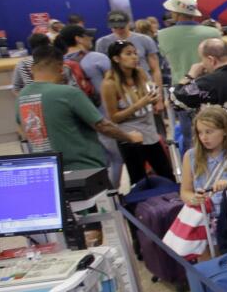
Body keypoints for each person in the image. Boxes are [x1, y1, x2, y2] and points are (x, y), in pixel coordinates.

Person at [17, 45, 143, 172]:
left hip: (48, 170)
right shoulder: (68, 93)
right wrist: (130, 137)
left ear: (32, 68)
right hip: (83, 169)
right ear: (61, 67)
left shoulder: (23, 96)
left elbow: (23, 130)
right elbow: (102, 126)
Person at [180, 105, 227, 256]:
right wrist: (194, 198)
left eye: (209, 132)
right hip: (203, 223)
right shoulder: (191, 156)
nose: (204, 137)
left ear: (225, 131)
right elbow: (185, 191)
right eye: (200, 132)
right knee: (210, 268)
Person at [56, 24, 121, 186]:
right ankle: (113, 193)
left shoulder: (60, 65)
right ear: (78, 38)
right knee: (117, 158)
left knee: (97, 161)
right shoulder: (97, 58)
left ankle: (99, 194)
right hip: (103, 116)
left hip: (79, 122)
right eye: (87, 35)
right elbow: (116, 83)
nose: (91, 38)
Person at [102, 40, 172, 183]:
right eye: (128, 54)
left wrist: (154, 100)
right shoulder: (109, 84)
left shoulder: (140, 74)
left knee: (167, 174)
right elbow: (114, 117)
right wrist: (139, 104)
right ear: (116, 58)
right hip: (130, 137)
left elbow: (149, 97)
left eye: (135, 53)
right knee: (139, 179)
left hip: (150, 132)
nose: (134, 57)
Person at [95, 10, 164, 111]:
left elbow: (155, 70)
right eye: (114, 27)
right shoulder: (102, 43)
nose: (118, 30)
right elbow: (104, 71)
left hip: (145, 87)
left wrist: (159, 98)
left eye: (122, 27)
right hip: (120, 91)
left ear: (128, 23)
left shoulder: (144, 40)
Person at [158, 0, 222, 88]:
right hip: (211, 86)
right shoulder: (214, 33)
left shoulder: (162, 35)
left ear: (176, 13)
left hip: (180, 87)